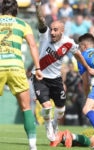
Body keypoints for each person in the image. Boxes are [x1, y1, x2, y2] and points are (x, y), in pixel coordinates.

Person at [33, 0, 94, 143]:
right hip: (40, 76)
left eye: (55, 30)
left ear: (62, 31)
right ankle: (48, 126)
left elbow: (78, 55)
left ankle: (55, 124)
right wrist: (38, 6)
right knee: (46, 107)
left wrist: (88, 68)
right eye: (51, 29)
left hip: (55, 79)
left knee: (61, 110)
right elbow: (40, 19)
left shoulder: (68, 43)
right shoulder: (45, 35)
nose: (52, 32)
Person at [0, 0, 43, 150]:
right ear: (16, 10)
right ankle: (32, 146)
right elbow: (33, 45)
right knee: (26, 107)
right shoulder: (23, 24)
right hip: (16, 66)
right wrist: (38, 68)